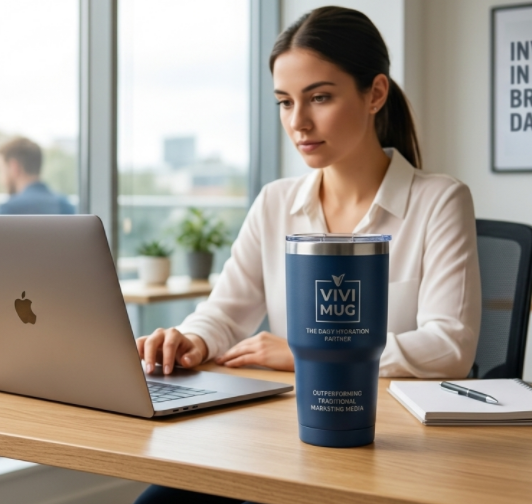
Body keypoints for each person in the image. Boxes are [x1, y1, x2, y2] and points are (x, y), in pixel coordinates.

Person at [134, 7, 481, 504]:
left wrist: (305, 356)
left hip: (392, 447)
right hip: (285, 435)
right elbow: (226, 311)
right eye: (284, 102)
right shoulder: (276, 202)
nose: (298, 122)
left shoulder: (439, 200)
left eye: (319, 97)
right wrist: (191, 339)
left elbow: (451, 346)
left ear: (375, 94)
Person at [0, 136, 74, 215]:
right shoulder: (65, 206)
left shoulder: (7, 210)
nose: (0, 179)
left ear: (14, 167)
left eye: (1, 170)